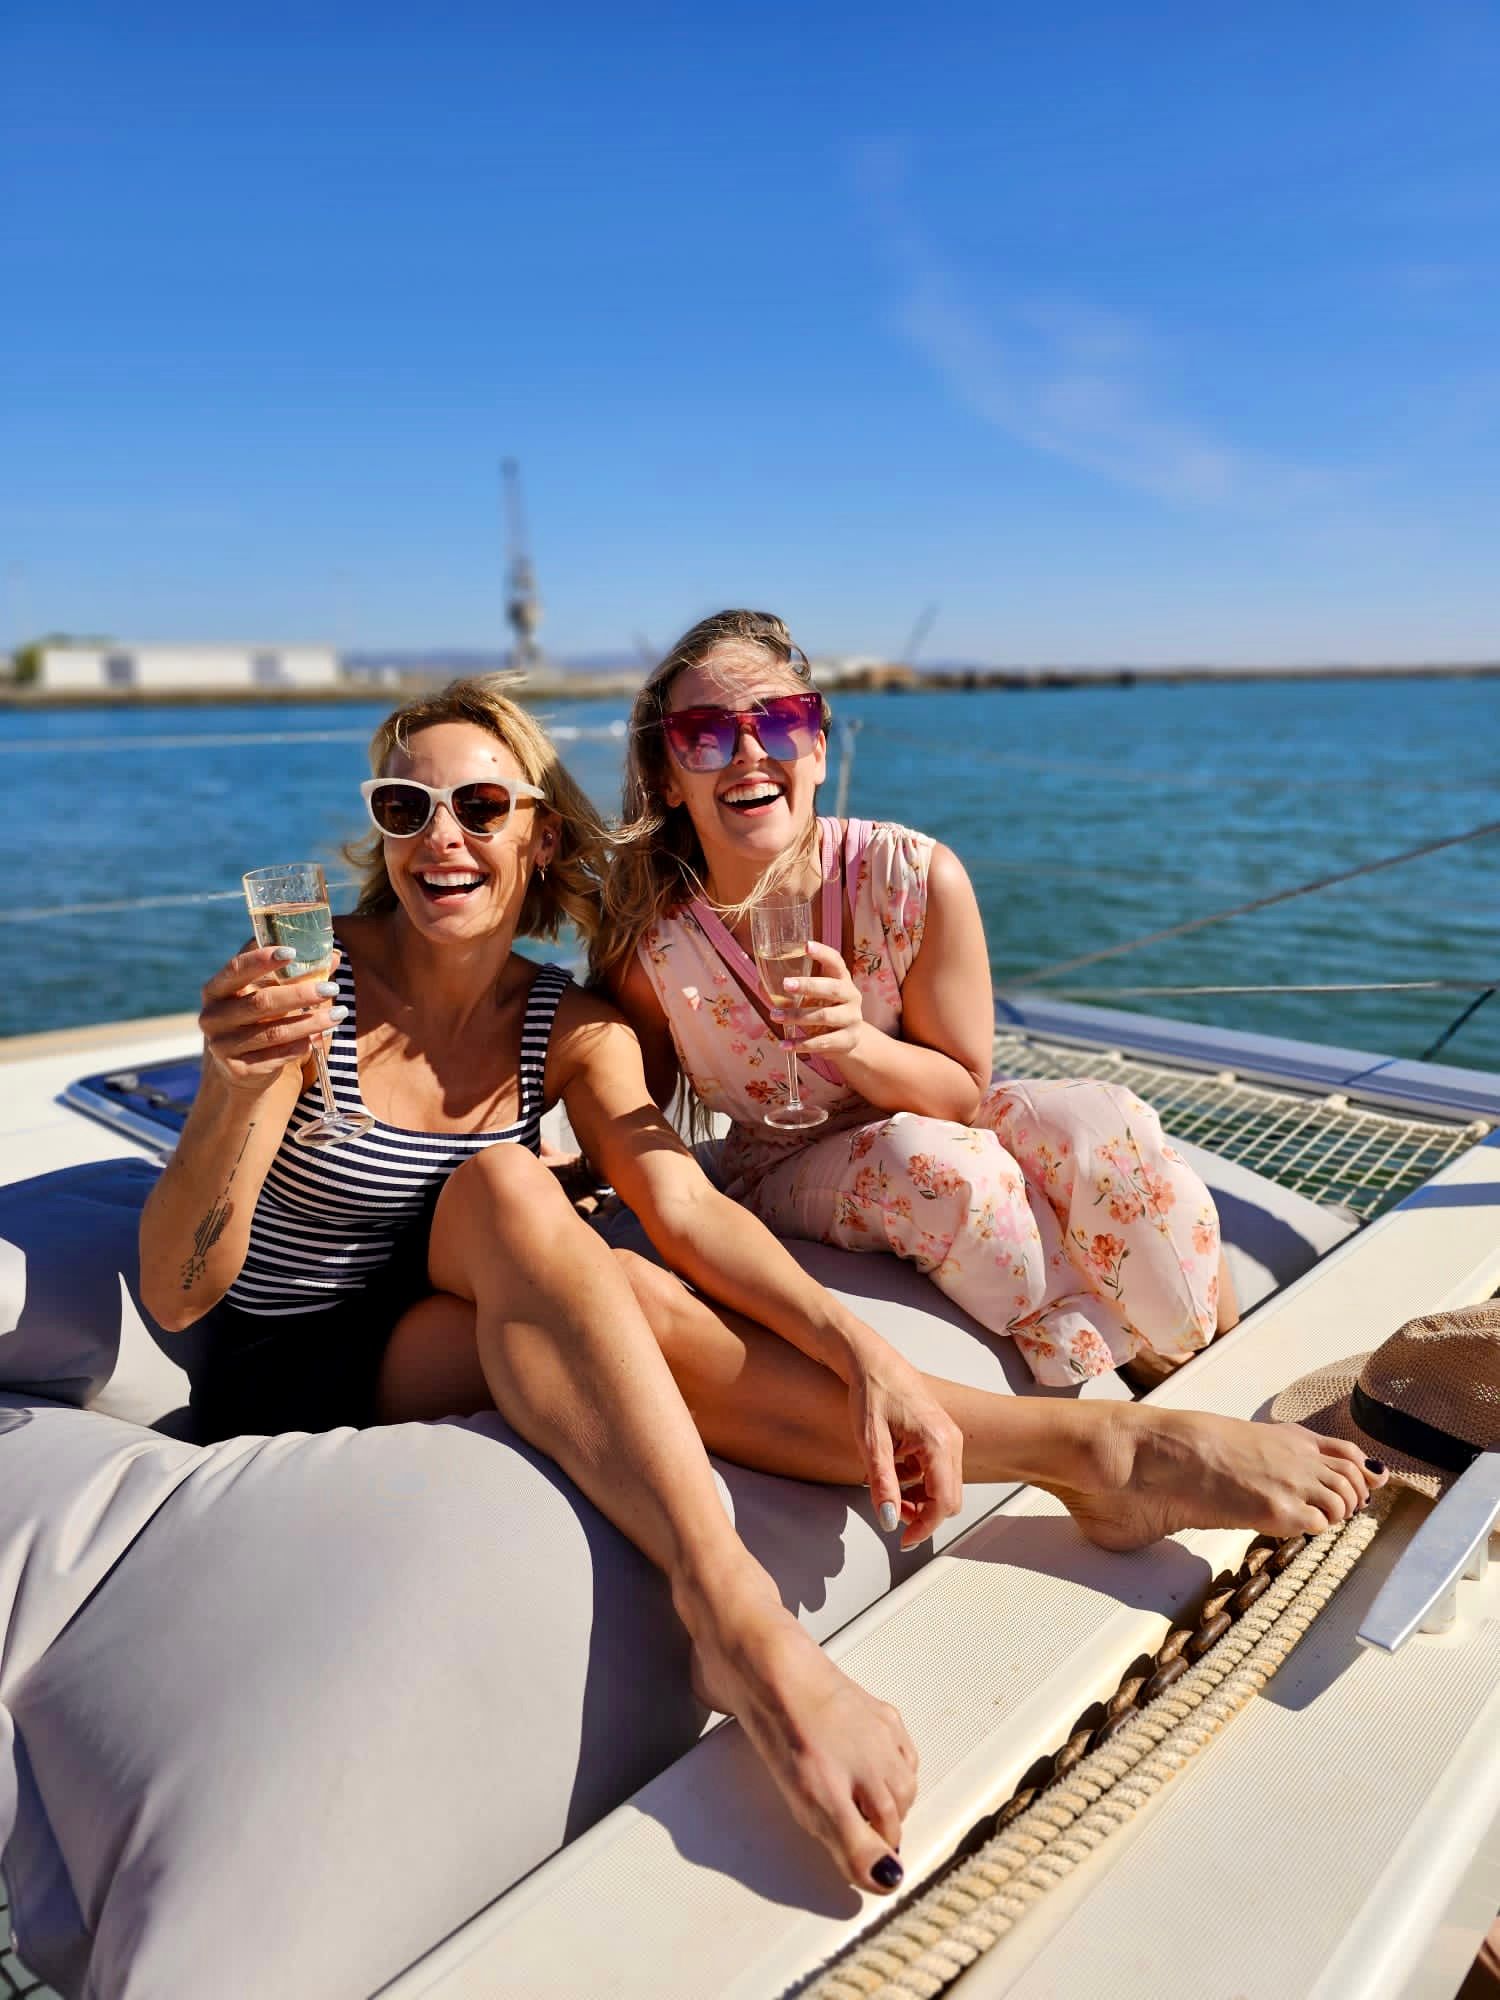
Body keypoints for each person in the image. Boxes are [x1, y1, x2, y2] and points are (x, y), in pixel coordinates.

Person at [140, 673, 1385, 1899]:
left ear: (541, 831)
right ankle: (751, 1611)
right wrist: (238, 1089)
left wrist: (865, 1353)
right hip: (295, 1352)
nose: (444, 837)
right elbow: (183, 1295)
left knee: (557, 1228)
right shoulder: (306, 985)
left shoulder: (568, 1024)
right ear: (383, 834)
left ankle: (1103, 1455)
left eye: (480, 805)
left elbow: (680, 1203)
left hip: (453, 1297)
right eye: (406, 809)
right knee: (515, 1196)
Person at [597, 607, 1238, 1392]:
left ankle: (1215, 1343)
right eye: (706, 733)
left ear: (819, 747)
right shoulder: (654, 945)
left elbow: (964, 1092)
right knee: (935, 1167)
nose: (752, 752)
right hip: (783, 1165)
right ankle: (1126, 1377)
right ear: (667, 775)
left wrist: (855, 1043)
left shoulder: (910, 877)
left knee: (1097, 1120)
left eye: (782, 721)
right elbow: (634, 1104)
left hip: (934, 1111)